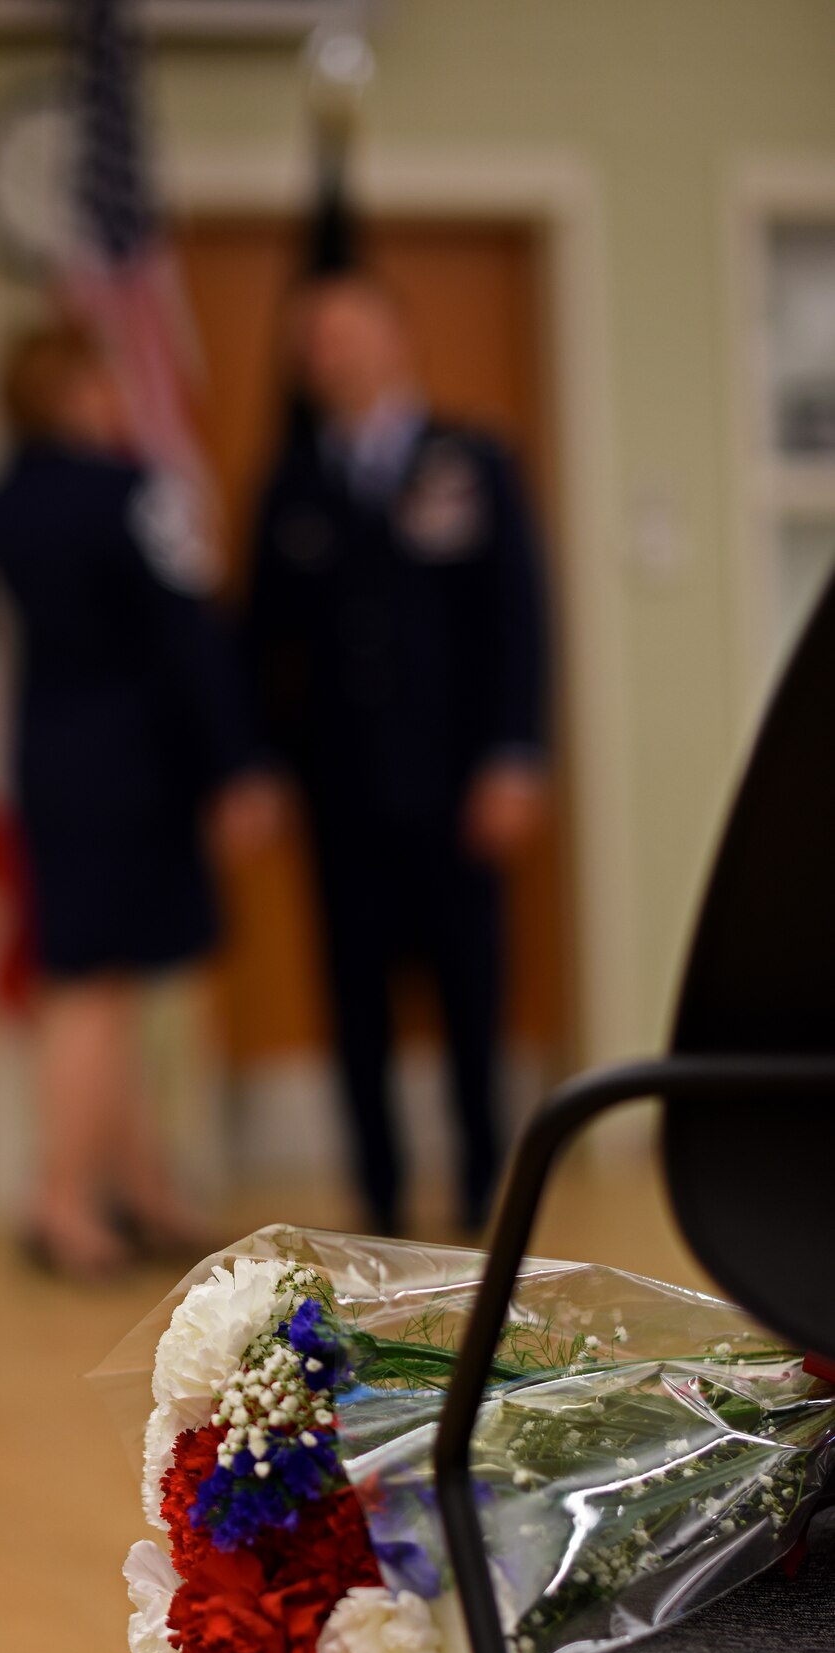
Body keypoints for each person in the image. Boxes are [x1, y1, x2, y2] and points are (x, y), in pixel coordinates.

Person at [0, 322, 276, 1279]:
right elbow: (188, 633)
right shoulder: (133, 492)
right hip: (135, 767)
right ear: (73, 393)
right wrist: (238, 762)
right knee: (95, 987)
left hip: (51, 759)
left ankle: (143, 1190)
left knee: (117, 980)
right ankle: (62, 1202)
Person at [245, 271, 551, 1235]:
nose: (325, 355)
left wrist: (514, 754)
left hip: (458, 781)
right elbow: (260, 639)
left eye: (343, 334)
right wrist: (260, 763)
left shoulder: (469, 460)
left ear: (394, 339)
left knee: (468, 992)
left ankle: (478, 1187)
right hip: (339, 793)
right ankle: (375, 1195)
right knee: (356, 1002)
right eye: (311, 342)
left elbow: (517, 616)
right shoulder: (291, 481)